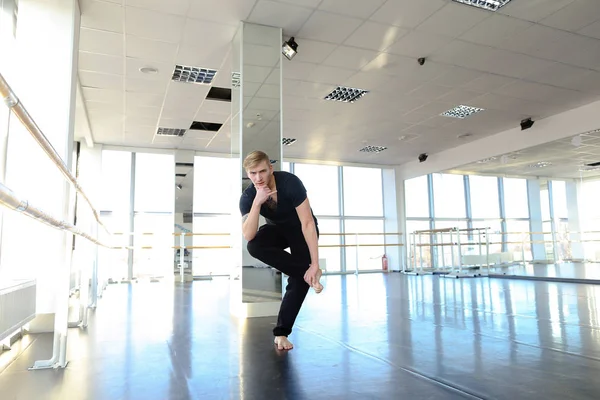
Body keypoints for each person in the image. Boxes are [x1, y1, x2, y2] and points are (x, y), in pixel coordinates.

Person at [239, 150, 323, 351]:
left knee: (297, 282)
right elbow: (248, 235)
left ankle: (282, 333)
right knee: (255, 245)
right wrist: (257, 203)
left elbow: (308, 223)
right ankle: (307, 272)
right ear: (248, 174)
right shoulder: (248, 196)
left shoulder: (290, 183)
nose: (258, 177)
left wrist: (315, 262)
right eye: (252, 173)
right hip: (278, 230)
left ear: (271, 169)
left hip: (301, 230)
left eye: (262, 171)